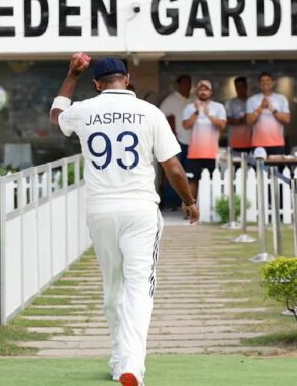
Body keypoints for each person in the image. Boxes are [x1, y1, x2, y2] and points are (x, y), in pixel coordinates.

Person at [50, 54, 197, 386]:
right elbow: (173, 167)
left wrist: (71, 75)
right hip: (140, 210)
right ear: (127, 79)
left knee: (113, 286)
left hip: (101, 210)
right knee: (138, 287)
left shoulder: (85, 109)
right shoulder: (150, 112)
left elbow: (56, 115)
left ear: (97, 84)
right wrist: (189, 201)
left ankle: (119, 359)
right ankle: (131, 363)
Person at [182, 80, 227, 199]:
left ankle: (214, 209)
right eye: (201, 89)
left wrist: (209, 115)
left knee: (214, 180)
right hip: (194, 153)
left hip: (212, 153)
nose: (203, 92)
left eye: (206, 89)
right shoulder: (190, 107)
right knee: (192, 180)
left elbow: (222, 126)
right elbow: (185, 126)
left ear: (210, 92)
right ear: (197, 91)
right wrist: (196, 112)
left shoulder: (218, 107)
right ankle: (190, 211)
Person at [159, 74, 193, 208]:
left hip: (193, 142)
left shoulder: (194, 99)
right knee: (173, 172)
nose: (187, 86)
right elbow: (160, 116)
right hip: (176, 141)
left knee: (188, 174)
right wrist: (170, 129)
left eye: (189, 83)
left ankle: (184, 202)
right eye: (184, 83)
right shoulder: (171, 100)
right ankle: (170, 202)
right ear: (178, 85)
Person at [245, 72, 291, 156]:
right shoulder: (252, 100)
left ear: (273, 83)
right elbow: (249, 121)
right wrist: (261, 108)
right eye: (262, 81)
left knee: (278, 169)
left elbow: (287, 120)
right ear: (259, 84)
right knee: (259, 169)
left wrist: (272, 109)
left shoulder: (281, 99)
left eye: (268, 80)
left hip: (277, 144)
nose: (265, 83)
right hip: (258, 145)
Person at [226, 77, 253, 154]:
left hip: (250, 143)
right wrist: (242, 120)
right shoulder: (230, 103)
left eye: (242, 86)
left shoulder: (252, 102)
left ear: (246, 87)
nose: (240, 89)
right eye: (238, 87)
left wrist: (245, 119)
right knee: (235, 165)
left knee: (250, 165)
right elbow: (227, 121)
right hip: (234, 143)